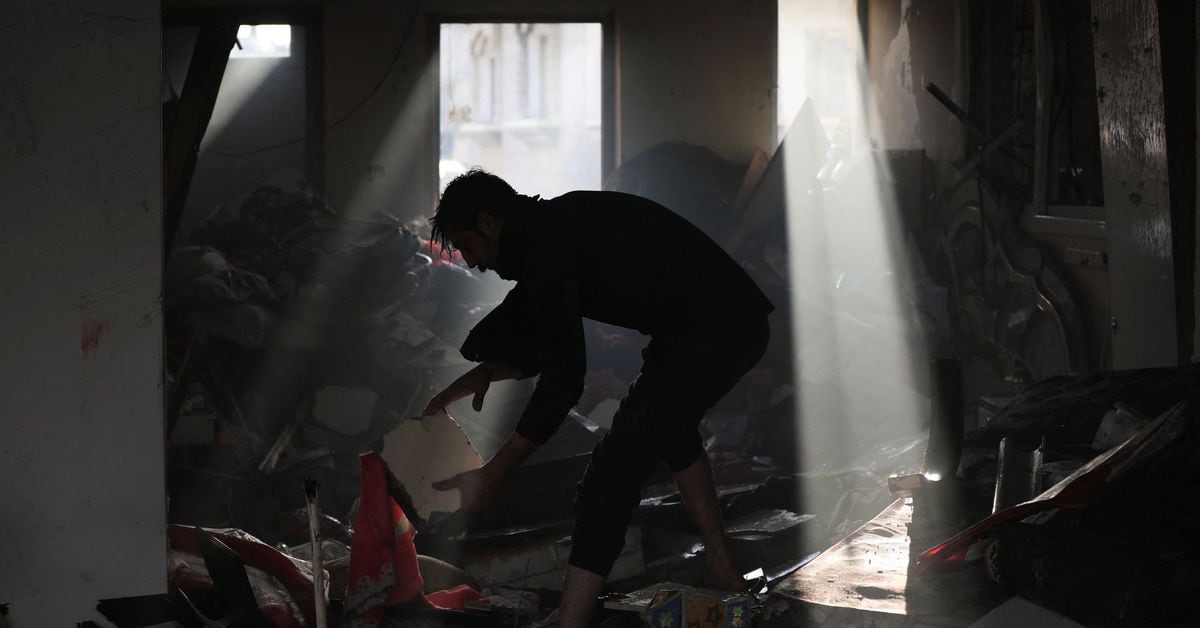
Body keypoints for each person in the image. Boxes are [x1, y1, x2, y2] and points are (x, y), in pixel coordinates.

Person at [421, 169, 773, 627]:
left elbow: (564, 380)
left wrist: (497, 472)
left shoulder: (548, 246)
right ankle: (723, 567)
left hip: (717, 330)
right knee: (669, 429)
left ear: (487, 223)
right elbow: (539, 324)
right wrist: (489, 369)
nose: (470, 262)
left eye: (466, 245)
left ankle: (571, 621)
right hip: (706, 326)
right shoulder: (551, 228)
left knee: (607, 480)